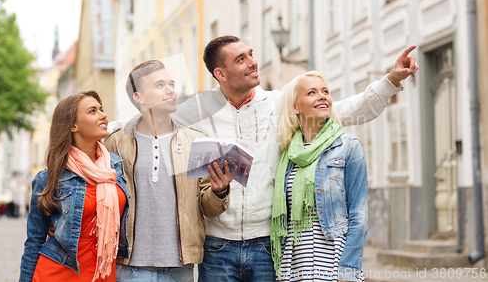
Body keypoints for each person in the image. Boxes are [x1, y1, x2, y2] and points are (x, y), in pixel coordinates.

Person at [170, 35, 417, 282]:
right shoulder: (198, 111)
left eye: (251, 54)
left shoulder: (279, 104)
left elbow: (346, 110)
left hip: (266, 245)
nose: (253, 62)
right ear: (221, 74)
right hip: (217, 247)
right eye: (241, 59)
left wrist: (391, 81)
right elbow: (149, 129)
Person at [103, 60, 232, 282]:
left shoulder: (196, 141)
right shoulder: (115, 143)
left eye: (171, 83)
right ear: (139, 97)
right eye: (160, 85)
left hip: (179, 269)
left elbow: (208, 208)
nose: (171, 90)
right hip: (129, 268)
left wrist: (219, 191)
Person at [19, 91, 129, 282]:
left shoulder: (115, 167)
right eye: (92, 111)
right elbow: (34, 241)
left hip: (103, 273)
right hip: (59, 273)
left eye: (101, 109)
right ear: (73, 125)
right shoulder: (49, 178)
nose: (103, 115)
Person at [271, 72, 367, 282]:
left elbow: (359, 216)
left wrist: (348, 271)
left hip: (333, 260)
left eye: (325, 91)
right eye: (312, 92)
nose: (322, 96)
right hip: (293, 263)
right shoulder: (287, 154)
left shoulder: (348, 147)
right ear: (296, 106)